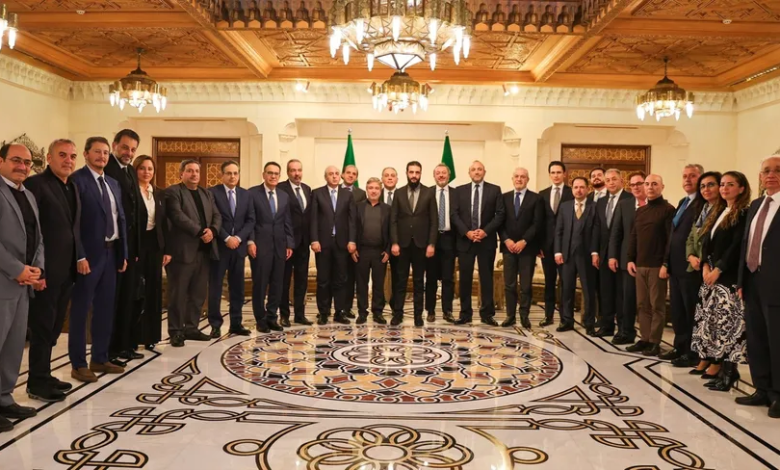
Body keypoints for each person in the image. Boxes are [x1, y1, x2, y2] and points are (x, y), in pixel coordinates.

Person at [24, 139, 80, 402]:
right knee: (42, 328)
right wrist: (39, 271)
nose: (68, 160)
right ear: (49, 157)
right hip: (45, 272)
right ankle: (36, 382)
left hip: (66, 270)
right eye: (62, 155)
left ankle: (44, 374)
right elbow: (31, 231)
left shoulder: (72, 186)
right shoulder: (36, 185)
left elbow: (72, 229)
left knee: (55, 327)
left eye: (72, 156)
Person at [69, 137, 128, 382]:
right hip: (88, 256)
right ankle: (78, 363)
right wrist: (80, 255)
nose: (102, 156)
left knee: (105, 307)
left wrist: (123, 253)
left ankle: (100, 357)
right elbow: (73, 223)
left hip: (111, 253)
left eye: (105, 152)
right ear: (86, 154)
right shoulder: (77, 181)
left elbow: (120, 219)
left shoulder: (113, 183)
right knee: (81, 309)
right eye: (97, 152)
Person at [691, 171, 750, 392]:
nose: (724, 188)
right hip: (711, 277)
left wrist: (718, 269)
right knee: (715, 325)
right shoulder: (720, 210)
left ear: (741, 188)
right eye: (723, 184)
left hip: (727, 278)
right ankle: (720, 369)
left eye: (730, 184)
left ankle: (730, 372)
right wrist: (706, 266)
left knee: (728, 327)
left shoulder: (743, 213)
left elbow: (736, 246)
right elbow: (707, 243)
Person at [0, 143, 44, 431]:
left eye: (27, 162)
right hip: (4, 281)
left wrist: (37, 268)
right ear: (1, 161)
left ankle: (4, 398)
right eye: (16, 160)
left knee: (13, 346)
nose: (23, 166)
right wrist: (17, 269)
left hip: (23, 284)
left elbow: (37, 237)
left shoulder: (27, 194)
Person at [736, 155, 780, 418]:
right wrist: (742, 280)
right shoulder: (756, 205)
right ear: (760, 176)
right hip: (753, 281)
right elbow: (746, 242)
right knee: (757, 338)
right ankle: (761, 388)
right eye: (766, 171)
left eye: (777, 170)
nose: (771, 175)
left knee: (777, 340)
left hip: (776, 283)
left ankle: (778, 394)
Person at [165, 159, 221, 347]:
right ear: (181, 173)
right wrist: (200, 232)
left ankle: (191, 328)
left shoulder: (206, 193)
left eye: (197, 171)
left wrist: (213, 230)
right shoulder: (173, 192)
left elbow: (216, 215)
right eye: (190, 170)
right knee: (178, 294)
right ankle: (176, 331)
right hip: (182, 252)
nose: (194, 174)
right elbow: (177, 216)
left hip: (204, 252)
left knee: (198, 294)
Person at [626, 174, 675, 357]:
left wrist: (666, 263)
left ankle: (654, 341)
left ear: (662, 187)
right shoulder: (640, 211)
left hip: (657, 266)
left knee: (657, 306)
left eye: (654, 184)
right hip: (640, 264)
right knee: (642, 304)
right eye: (647, 184)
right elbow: (634, 236)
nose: (650, 187)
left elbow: (670, 240)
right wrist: (630, 259)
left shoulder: (668, 210)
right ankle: (645, 338)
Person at [105, 129, 143, 363]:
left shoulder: (129, 171)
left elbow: (135, 212)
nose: (129, 153)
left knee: (128, 299)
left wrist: (135, 250)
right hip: (114, 249)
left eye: (133, 149)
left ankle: (124, 345)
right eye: (125, 147)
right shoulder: (107, 169)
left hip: (130, 249)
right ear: (115, 145)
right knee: (113, 302)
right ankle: (109, 350)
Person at [452, 161, 505, 326]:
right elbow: (454, 215)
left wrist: (485, 231)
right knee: (465, 278)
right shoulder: (459, 191)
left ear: (484, 172)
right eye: (473, 169)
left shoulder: (494, 190)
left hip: (486, 241)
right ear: (469, 173)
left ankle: (487, 314)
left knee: (486, 278)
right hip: (465, 241)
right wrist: (467, 232)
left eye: (479, 169)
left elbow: (500, 214)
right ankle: (465, 313)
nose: (476, 172)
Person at [661, 164, 704, 364]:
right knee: (678, 310)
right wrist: (666, 262)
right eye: (685, 176)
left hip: (690, 267)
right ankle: (679, 346)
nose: (687, 179)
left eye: (692, 176)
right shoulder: (683, 202)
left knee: (691, 311)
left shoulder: (702, 204)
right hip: (676, 266)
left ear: (701, 178)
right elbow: (673, 234)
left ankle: (692, 352)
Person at [208, 160, 254, 337]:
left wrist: (238, 238)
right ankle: (215, 325)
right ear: (222, 175)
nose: (232, 176)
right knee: (216, 287)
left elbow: (251, 220)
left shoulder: (246, 194)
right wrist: (227, 237)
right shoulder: (212, 193)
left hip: (238, 248)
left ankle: (236, 323)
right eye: (228, 173)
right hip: (220, 247)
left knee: (237, 288)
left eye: (235, 173)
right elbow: (212, 219)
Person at [247, 162, 294, 333]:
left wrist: (289, 243)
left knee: (277, 283)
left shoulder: (284, 195)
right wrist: (250, 242)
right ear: (264, 174)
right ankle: (260, 319)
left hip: (280, 246)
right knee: (260, 284)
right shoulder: (253, 193)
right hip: (260, 246)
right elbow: (250, 220)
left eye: (276, 173)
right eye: (270, 173)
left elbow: (287, 221)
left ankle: (272, 317)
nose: (273, 176)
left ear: (279, 176)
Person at [390, 161, 437, 327]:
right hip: (402, 245)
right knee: (400, 282)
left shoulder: (429, 193)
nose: (414, 175)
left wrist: (431, 244)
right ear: (407, 173)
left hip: (421, 245)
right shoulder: (399, 193)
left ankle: (418, 316)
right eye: (411, 172)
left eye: (417, 172)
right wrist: (394, 242)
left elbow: (434, 221)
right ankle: (397, 314)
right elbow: (393, 220)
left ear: (421, 174)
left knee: (418, 282)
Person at [684, 171, 723, 372]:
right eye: (703, 186)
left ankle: (717, 361)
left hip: (714, 269)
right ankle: (704, 356)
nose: (706, 189)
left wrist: (707, 263)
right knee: (703, 317)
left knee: (716, 318)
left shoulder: (723, 210)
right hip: (698, 266)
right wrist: (691, 255)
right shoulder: (702, 208)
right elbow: (692, 237)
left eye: (711, 185)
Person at [310, 165, 356, 325]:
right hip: (322, 243)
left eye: (337, 174)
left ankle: (339, 312)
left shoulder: (347, 195)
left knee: (341, 279)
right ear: (326, 177)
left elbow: (352, 220)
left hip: (342, 244)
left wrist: (352, 240)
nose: (335, 176)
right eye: (331, 174)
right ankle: (323, 312)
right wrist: (314, 239)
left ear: (340, 176)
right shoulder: (317, 193)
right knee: (323, 280)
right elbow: (313, 219)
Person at [133, 155, 170, 351]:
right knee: (136, 291)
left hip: (155, 246)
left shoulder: (159, 193)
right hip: (137, 245)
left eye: (150, 169)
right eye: (142, 168)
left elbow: (165, 224)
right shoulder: (130, 192)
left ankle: (151, 335)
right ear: (135, 170)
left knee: (154, 291)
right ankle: (133, 336)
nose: (146, 172)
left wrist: (167, 250)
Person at [498, 167, 543, 329]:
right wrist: (506, 240)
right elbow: (499, 222)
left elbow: (537, 224)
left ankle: (524, 315)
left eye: (522, 177)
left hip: (527, 249)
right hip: (508, 248)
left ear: (527, 180)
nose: (519, 179)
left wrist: (524, 241)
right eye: (516, 176)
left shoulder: (536, 199)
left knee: (525, 285)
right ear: (512, 179)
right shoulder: (504, 198)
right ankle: (510, 316)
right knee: (509, 284)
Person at [554, 177, 597, 333]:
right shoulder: (565, 206)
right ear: (572, 189)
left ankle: (589, 322)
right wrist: (558, 251)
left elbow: (596, 232)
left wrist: (595, 252)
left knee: (588, 290)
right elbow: (559, 231)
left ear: (587, 189)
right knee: (566, 289)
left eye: (582, 187)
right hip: (567, 255)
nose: (579, 190)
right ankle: (566, 321)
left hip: (586, 255)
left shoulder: (594, 207)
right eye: (576, 187)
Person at [593, 169, 632, 337]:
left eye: (614, 179)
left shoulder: (630, 199)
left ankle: (623, 329)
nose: (610, 182)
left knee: (621, 294)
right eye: (607, 180)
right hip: (603, 254)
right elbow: (596, 228)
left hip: (622, 254)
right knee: (606, 292)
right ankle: (607, 326)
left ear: (621, 181)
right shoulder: (601, 201)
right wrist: (595, 252)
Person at [608, 172, 646, 345]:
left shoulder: (656, 205)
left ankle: (648, 337)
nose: (636, 187)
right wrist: (612, 256)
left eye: (639, 183)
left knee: (646, 301)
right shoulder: (625, 204)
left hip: (648, 260)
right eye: (633, 184)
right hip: (625, 259)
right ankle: (625, 331)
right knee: (626, 298)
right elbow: (616, 232)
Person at [538, 161, 573, 327]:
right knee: (549, 282)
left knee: (566, 283)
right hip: (547, 247)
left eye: (559, 172)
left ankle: (566, 318)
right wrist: (539, 245)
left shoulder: (571, 192)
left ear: (564, 174)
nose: (556, 175)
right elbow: (539, 221)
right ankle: (548, 316)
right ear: (549, 174)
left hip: (566, 246)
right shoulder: (542, 194)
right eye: (553, 172)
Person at [278, 159, 313, 326]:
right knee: (284, 281)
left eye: (299, 170)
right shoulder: (280, 189)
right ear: (288, 172)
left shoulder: (307, 189)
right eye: (293, 170)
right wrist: (287, 242)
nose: (297, 173)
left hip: (304, 244)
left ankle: (300, 314)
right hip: (287, 244)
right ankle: (284, 315)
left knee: (301, 280)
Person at [353, 177, 391, 324]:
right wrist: (353, 248)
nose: (373, 191)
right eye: (371, 188)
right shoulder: (358, 207)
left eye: (376, 188)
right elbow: (352, 228)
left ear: (380, 190)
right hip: (361, 251)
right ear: (366, 190)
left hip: (380, 252)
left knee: (378, 284)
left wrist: (388, 250)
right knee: (361, 284)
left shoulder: (387, 208)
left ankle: (378, 312)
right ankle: (362, 312)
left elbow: (391, 231)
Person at [426, 164, 456, 323]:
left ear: (449, 175)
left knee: (448, 278)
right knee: (431, 278)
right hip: (431, 240)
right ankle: (430, 310)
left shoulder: (456, 194)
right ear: (434, 176)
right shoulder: (427, 193)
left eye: (444, 173)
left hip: (449, 239)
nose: (441, 175)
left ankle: (447, 310)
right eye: (438, 173)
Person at [341, 164, 366, 319]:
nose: (351, 175)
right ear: (342, 175)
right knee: (336, 276)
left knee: (351, 277)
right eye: (348, 173)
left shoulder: (361, 194)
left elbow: (360, 220)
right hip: (337, 239)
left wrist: (355, 242)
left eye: (354, 174)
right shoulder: (335, 190)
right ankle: (332, 308)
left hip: (353, 241)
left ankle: (347, 307)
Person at [381, 167, 399, 312]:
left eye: (392, 175)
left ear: (397, 179)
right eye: (386, 175)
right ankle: (378, 307)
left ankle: (396, 306)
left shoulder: (403, 195)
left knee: (398, 276)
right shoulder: (374, 194)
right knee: (378, 277)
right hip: (379, 243)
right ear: (382, 179)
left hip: (398, 243)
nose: (390, 178)